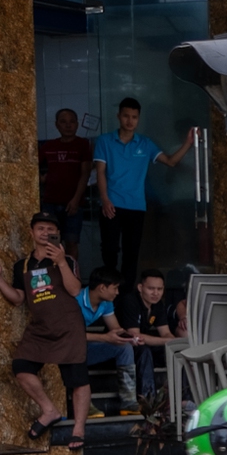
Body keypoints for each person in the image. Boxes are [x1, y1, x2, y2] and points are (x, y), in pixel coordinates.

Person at [0, 213, 91, 449]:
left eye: (50, 229)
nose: (45, 233)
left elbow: (74, 291)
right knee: (21, 367)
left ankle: (78, 429)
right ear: (31, 233)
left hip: (68, 327)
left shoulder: (68, 260)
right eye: (40, 228)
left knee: (77, 379)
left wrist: (62, 262)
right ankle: (49, 410)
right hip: (40, 328)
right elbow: (19, 298)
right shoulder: (22, 265)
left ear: (57, 235)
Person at [93, 97, 194, 292]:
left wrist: (188, 143)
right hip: (111, 204)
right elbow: (100, 172)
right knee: (110, 251)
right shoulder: (105, 141)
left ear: (138, 119)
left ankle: (125, 294)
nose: (130, 121)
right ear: (118, 117)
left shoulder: (145, 143)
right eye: (126, 116)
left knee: (131, 254)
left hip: (136, 206)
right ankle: (107, 290)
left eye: (134, 117)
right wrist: (105, 200)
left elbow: (171, 162)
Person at [75, 267, 140, 415]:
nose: (117, 292)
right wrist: (105, 337)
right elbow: (70, 335)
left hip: (84, 346)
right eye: (115, 288)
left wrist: (129, 337)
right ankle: (85, 406)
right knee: (76, 349)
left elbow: (115, 329)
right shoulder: (75, 300)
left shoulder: (106, 303)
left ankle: (128, 402)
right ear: (102, 288)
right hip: (68, 347)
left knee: (125, 347)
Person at [37, 108, 92, 251]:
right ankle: (55, 273)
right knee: (52, 243)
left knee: (71, 242)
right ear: (56, 125)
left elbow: (85, 173)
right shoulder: (49, 146)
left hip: (73, 204)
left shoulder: (83, 145)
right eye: (63, 122)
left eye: (72, 122)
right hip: (51, 203)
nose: (68, 125)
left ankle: (71, 273)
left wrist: (75, 200)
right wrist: (41, 178)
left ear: (77, 124)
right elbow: (29, 165)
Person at [118, 268, 178, 399]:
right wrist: (170, 341)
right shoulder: (130, 301)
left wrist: (174, 344)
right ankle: (148, 400)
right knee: (144, 350)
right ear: (140, 287)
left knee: (178, 352)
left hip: (145, 347)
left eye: (160, 289)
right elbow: (136, 336)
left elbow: (166, 333)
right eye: (151, 288)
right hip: (124, 347)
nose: (156, 293)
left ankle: (183, 399)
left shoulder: (158, 305)